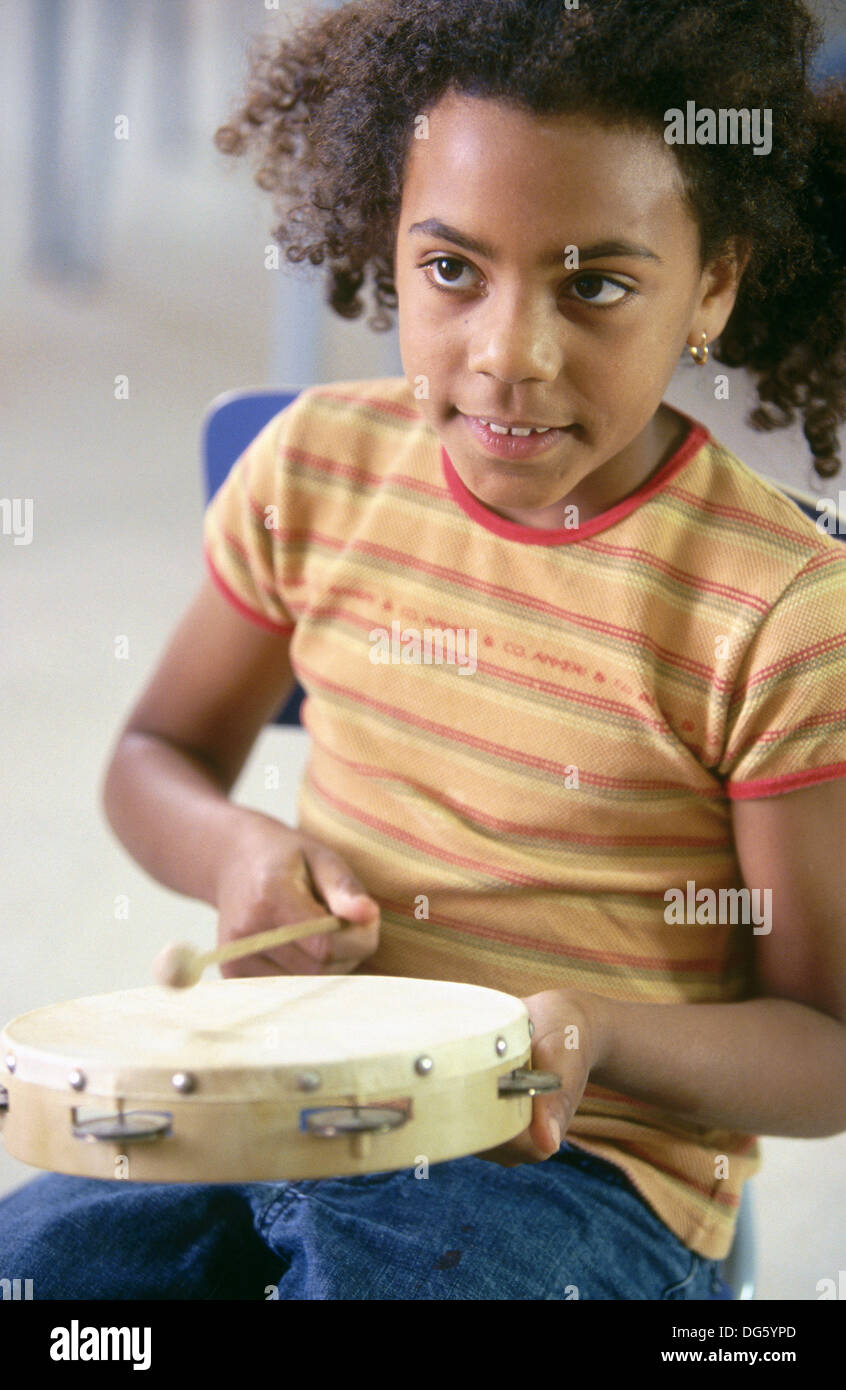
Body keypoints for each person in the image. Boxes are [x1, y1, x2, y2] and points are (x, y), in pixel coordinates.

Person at [3, 0, 846, 1301]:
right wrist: (240, 852)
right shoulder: (315, 469)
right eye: (451, 269)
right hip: (278, 1095)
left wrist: (597, 1036)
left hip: (577, 1176)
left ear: (714, 282)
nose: (507, 352)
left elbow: (822, 1047)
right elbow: (155, 753)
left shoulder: (779, 611)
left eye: (597, 284)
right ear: (384, 241)